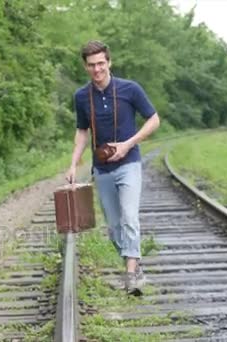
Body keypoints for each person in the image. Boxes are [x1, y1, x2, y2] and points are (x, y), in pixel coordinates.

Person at [65, 40, 160, 295]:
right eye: (91, 65)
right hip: (102, 169)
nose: (97, 69)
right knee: (114, 227)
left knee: (129, 217)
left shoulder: (130, 89)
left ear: (109, 62)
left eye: (101, 63)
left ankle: (130, 276)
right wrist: (74, 163)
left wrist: (129, 144)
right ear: (85, 67)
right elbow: (82, 132)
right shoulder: (81, 96)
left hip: (129, 164)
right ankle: (135, 264)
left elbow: (154, 119)